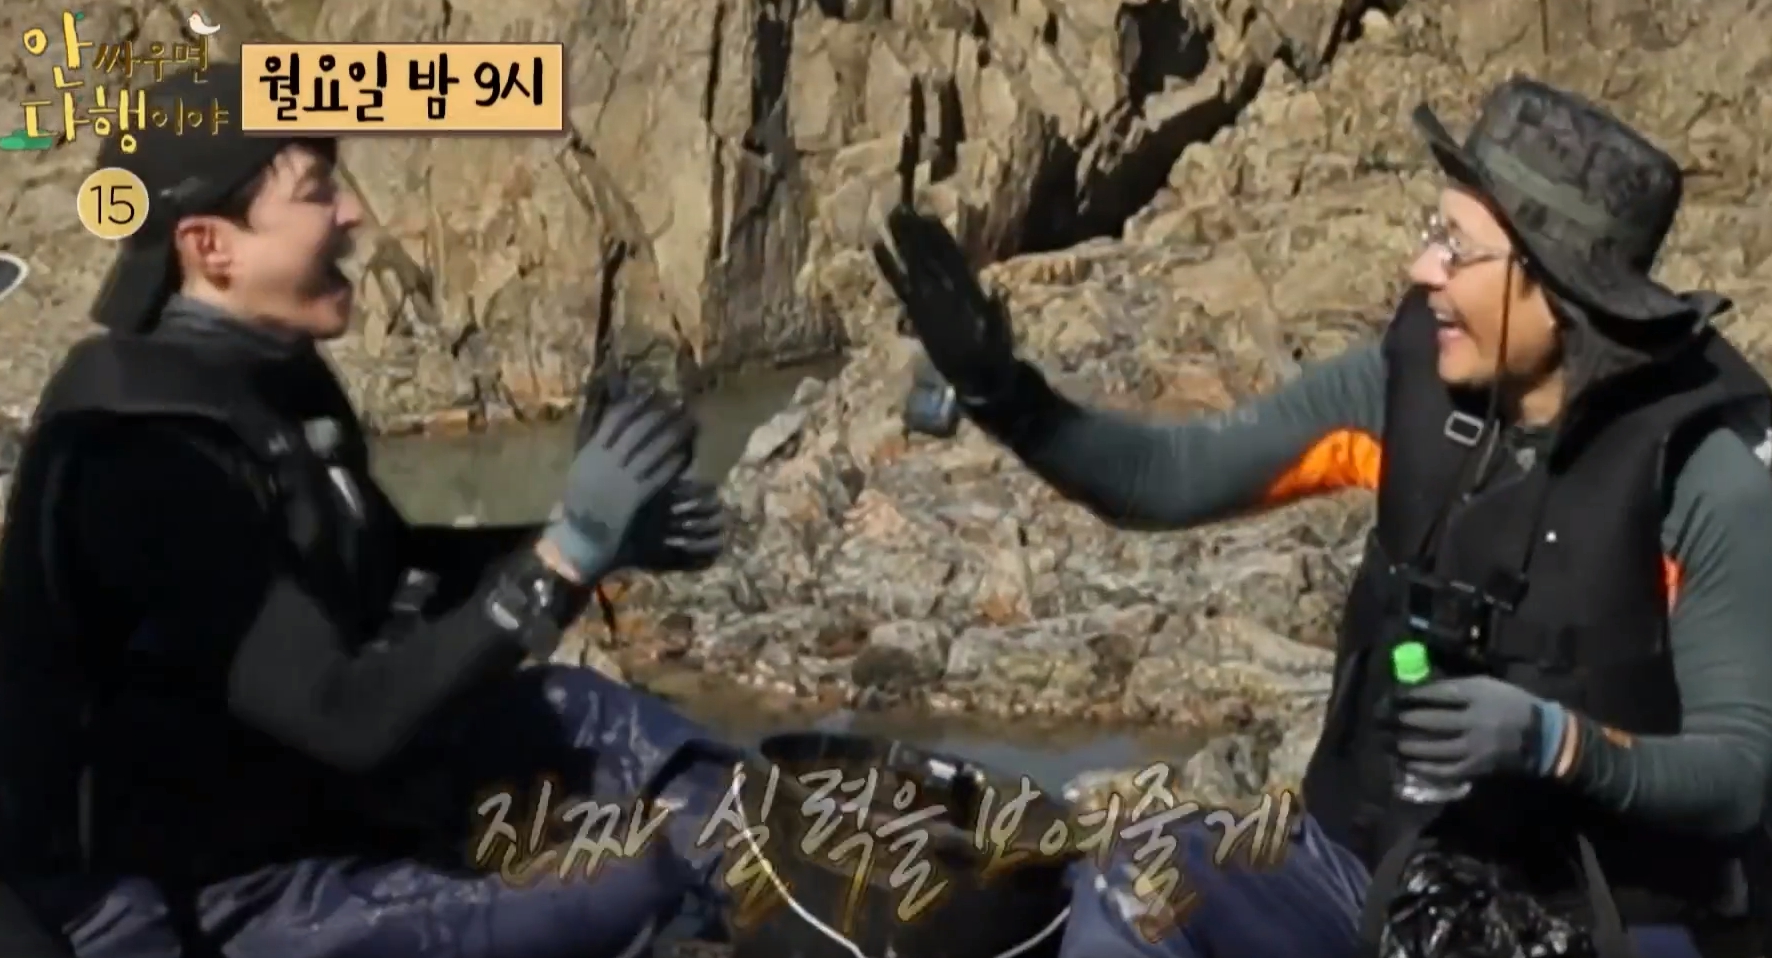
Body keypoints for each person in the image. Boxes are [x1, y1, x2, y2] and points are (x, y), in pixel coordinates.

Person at [875, 77, 1772, 958]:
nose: (1422, 269)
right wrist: (1006, 394)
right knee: (1142, 885)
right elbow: (1166, 478)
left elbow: (1737, 775)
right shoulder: (1405, 392)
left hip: (1601, 916)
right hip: (1367, 872)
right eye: (1433, 234)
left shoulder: (1703, 476)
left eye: (1456, 249)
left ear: (1557, 285)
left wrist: (1555, 741)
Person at [0, 62, 741, 958]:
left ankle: (816, 852)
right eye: (317, 193)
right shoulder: (143, 450)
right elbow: (344, 715)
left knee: (606, 725)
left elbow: (391, 574)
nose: (352, 213)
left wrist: (587, 541)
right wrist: (559, 562)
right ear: (210, 247)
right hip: (208, 896)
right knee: (641, 880)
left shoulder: (274, 379)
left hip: (315, 799)